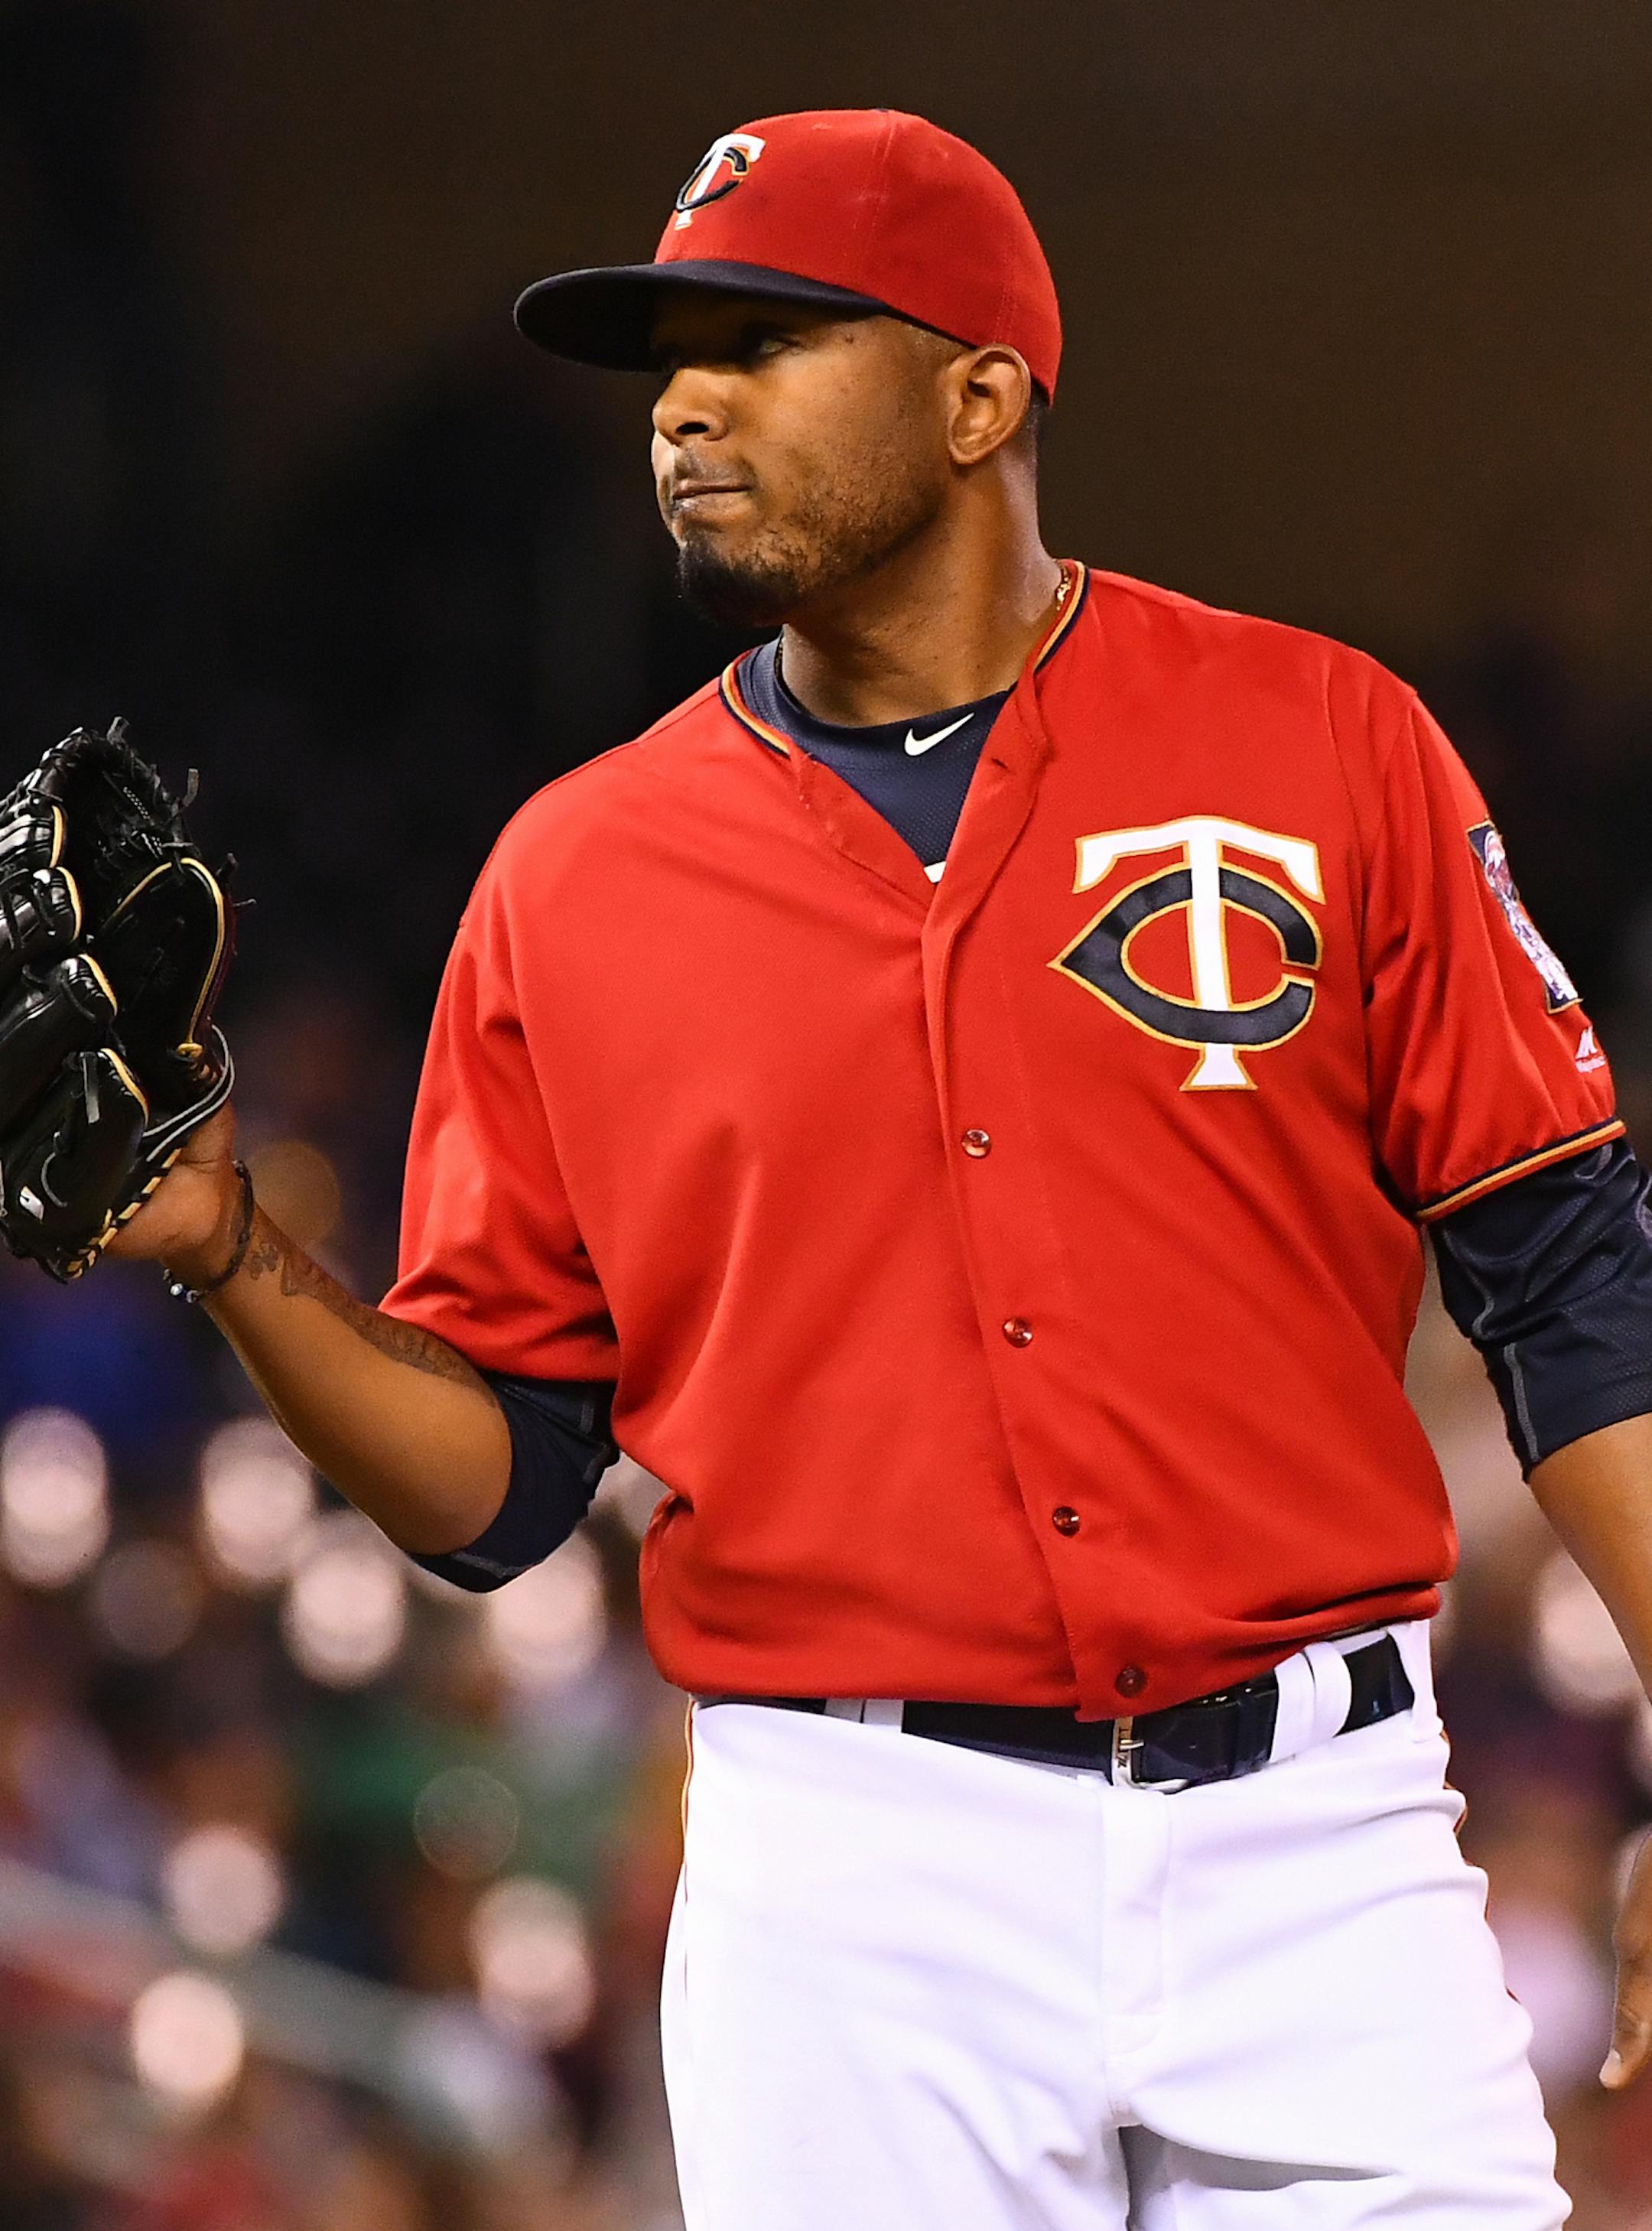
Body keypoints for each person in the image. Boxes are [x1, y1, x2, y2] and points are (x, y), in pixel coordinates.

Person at [111, 108, 1652, 2229]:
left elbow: (1572, 1281)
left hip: (1322, 1831)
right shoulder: (574, 876)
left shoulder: (1323, 740)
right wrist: (227, 1247)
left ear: (980, 392)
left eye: (765, 340)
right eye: (671, 361)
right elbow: (504, 1488)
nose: (687, 407)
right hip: (851, 1868)